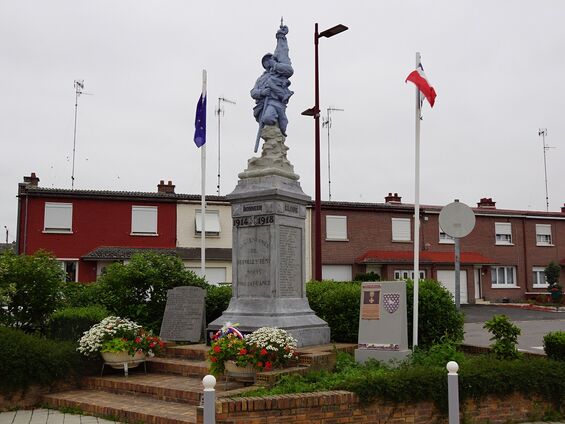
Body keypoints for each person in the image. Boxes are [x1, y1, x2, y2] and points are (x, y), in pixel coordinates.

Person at [251, 24, 294, 137]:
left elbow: (289, 70)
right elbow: (253, 92)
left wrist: (281, 37)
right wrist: (262, 93)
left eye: (268, 59)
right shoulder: (261, 79)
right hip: (262, 105)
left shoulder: (278, 71)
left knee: (269, 118)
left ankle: (279, 132)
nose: (267, 62)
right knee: (265, 126)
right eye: (265, 61)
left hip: (275, 103)